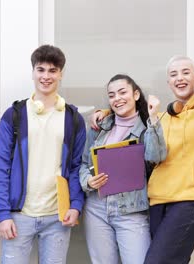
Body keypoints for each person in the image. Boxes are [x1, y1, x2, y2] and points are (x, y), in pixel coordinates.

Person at [92, 56, 194, 263]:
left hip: (190, 201)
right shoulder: (161, 117)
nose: (179, 78)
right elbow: (131, 115)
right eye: (173, 74)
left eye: (185, 72)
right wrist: (107, 112)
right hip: (156, 202)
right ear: (168, 83)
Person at [0, 44, 86, 264]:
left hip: (57, 216)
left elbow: (76, 166)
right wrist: (3, 214)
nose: (46, 76)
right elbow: (0, 166)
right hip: (19, 214)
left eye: (52, 71)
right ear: (33, 72)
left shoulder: (73, 118)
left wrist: (75, 205)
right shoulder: (14, 115)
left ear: (61, 74)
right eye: (41, 70)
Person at [79, 74, 166, 264]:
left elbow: (156, 156)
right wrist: (87, 180)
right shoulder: (99, 128)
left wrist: (153, 117)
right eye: (112, 95)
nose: (117, 98)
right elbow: (84, 163)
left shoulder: (147, 129)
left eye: (122, 92)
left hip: (131, 211)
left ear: (135, 95)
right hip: (97, 208)